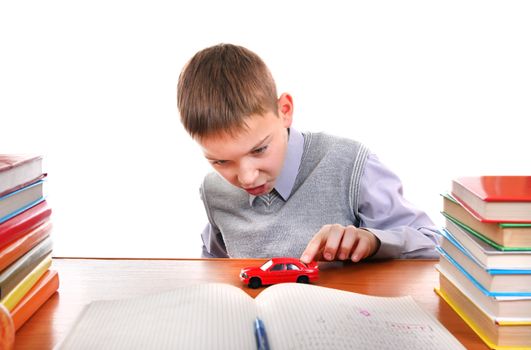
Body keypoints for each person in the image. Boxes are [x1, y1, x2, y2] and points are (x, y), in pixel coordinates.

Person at [177, 43, 439, 263]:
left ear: (285, 111)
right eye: (220, 161)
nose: (246, 178)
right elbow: (214, 269)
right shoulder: (214, 191)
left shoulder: (350, 164)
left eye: (260, 149)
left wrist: (375, 240)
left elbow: (433, 244)